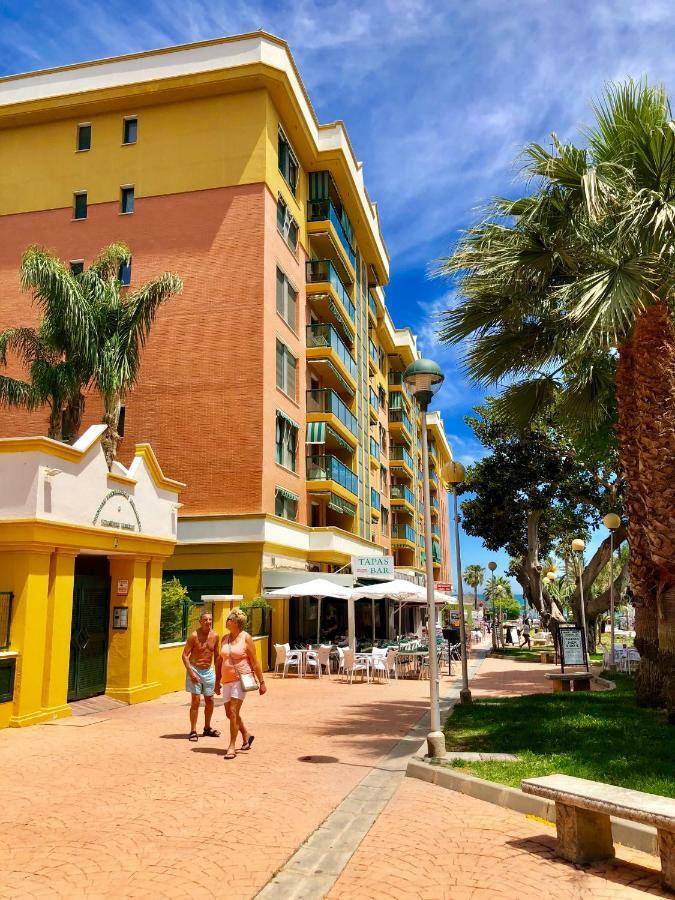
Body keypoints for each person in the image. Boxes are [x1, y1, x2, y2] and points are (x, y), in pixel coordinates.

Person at [216, 607, 267, 760]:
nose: (226, 621)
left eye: (229, 620)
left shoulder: (246, 638)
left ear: (237, 623)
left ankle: (231, 746)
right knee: (229, 713)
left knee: (232, 712)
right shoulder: (225, 638)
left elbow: (255, 662)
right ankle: (246, 734)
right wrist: (217, 681)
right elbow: (220, 660)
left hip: (241, 678)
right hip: (226, 680)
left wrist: (262, 682)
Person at [182, 610, 221, 742]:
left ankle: (207, 728)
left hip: (209, 671)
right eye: (205, 620)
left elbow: (217, 656)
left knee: (210, 700)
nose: (208, 622)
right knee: (196, 701)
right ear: (200, 621)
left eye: (210, 619)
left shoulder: (215, 635)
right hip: (195, 669)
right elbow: (184, 656)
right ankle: (193, 730)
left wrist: (219, 677)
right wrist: (191, 673)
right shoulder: (194, 636)